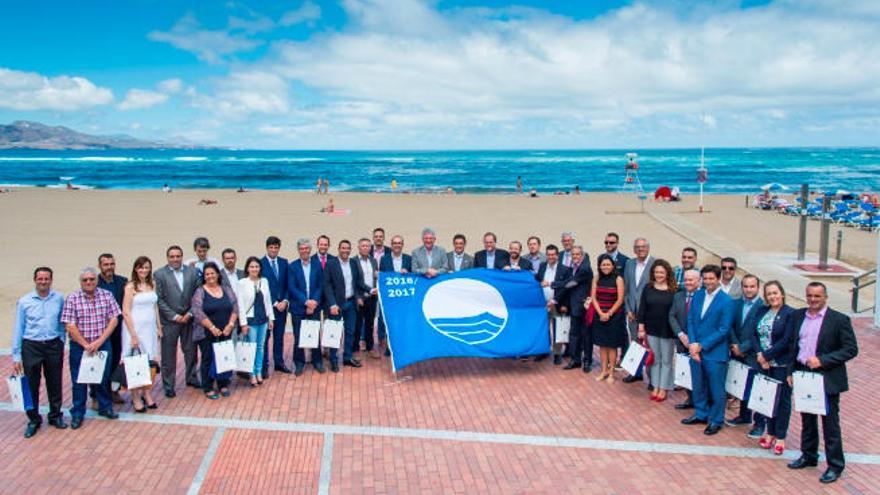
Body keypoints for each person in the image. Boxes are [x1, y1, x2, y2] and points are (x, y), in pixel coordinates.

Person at [786, 282, 859, 484]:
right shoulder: (798, 316)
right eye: (810, 295)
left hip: (826, 376)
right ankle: (808, 455)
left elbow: (851, 349)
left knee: (829, 423)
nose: (813, 300)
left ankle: (835, 465)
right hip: (803, 373)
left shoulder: (839, 320)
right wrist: (791, 371)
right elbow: (794, 346)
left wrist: (823, 360)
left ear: (825, 297)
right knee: (807, 419)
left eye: (817, 296)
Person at [61, 267, 122, 429]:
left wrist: (99, 341)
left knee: (103, 376)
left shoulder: (106, 295)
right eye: (85, 280)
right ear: (80, 282)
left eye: (91, 279)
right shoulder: (72, 298)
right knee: (79, 380)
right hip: (80, 346)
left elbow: (114, 319)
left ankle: (105, 407)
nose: (88, 282)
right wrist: (86, 345)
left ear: (96, 280)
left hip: (102, 344)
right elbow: (70, 325)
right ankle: (78, 412)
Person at [12, 267, 67, 437]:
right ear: (35, 280)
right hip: (31, 346)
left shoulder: (58, 299)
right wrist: (16, 355)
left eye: (46, 279)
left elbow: (61, 322)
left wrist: (61, 341)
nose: (43, 282)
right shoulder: (24, 302)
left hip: (52, 345)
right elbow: (18, 328)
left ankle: (55, 415)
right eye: (40, 279)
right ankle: (33, 419)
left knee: (54, 381)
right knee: (31, 384)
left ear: (51, 280)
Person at [681, 265, 734, 436]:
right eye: (706, 278)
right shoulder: (697, 295)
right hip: (695, 350)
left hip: (715, 352)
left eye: (712, 278)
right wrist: (693, 344)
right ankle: (701, 413)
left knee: (716, 389)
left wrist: (701, 345)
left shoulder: (727, 301)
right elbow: (690, 320)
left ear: (718, 279)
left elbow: (724, 329)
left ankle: (716, 420)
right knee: (698, 384)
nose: (708, 282)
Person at [748, 281, 795, 455]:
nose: (772, 297)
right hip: (763, 363)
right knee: (768, 399)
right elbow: (753, 334)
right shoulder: (762, 311)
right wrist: (760, 355)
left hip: (781, 364)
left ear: (782, 293)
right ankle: (770, 431)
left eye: (775, 293)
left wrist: (768, 355)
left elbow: (787, 340)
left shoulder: (790, 314)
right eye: (769, 294)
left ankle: (781, 436)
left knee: (783, 402)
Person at [154, 245, 200, 397]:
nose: (175, 259)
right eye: (172, 256)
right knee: (168, 355)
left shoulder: (192, 272)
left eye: (178, 256)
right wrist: (173, 315)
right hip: (170, 321)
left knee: (191, 351)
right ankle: (169, 385)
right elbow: (158, 299)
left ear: (182, 256)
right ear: (168, 258)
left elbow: (198, 295)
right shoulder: (159, 274)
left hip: (189, 319)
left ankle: (192, 377)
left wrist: (190, 313)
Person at [120, 256, 161, 412]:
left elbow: (154, 306)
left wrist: (158, 326)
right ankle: (136, 398)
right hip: (135, 329)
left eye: (146, 267)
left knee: (149, 362)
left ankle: (147, 393)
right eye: (141, 267)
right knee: (135, 364)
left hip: (149, 329)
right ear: (135, 269)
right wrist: (133, 335)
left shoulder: (152, 284)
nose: (144, 270)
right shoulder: (130, 287)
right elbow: (125, 311)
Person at [192, 262, 238, 399]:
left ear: (218, 274)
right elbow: (197, 311)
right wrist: (212, 327)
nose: (210, 276)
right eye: (207, 274)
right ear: (204, 277)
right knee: (208, 358)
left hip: (225, 331)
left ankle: (222, 384)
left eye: (212, 273)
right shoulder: (200, 291)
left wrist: (230, 325)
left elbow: (235, 307)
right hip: (206, 332)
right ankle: (208, 386)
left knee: (224, 357)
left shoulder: (226, 289)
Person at [726, 275, 765, 430]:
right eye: (746, 286)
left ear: (758, 287)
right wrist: (735, 344)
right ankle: (744, 415)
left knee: (756, 389)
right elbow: (729, 325)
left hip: (753, 353)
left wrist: (743, 348)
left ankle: (759, 423)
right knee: (741, 385)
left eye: (752, 286)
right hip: (736, 352)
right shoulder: (735, 304)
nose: (748, 290)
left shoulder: (764, 307)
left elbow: (760, 332)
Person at [324, 240, 369, 370]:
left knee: (350, 332)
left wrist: (370, 290)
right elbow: (326, 285)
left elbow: (359, 283)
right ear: (339, 249)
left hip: (351, 303)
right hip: (336, 305)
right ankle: (333, 359)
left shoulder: (354, 263)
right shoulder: (331, 264)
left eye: (348, 248)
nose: (345, 251)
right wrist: (332, 304)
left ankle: (347, 357)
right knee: (334, 333)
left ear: (350, 250)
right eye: (343, 248)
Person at [637, 259, 678, 402]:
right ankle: (655, 386)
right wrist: (641, 328)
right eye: (656, 272)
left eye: (662, 272)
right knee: (655, 360)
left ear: (667, 273)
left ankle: (663, 388)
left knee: (666, 360)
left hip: (667, 330)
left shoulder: (674, 290)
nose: (659, 274)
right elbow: (642, 308)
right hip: (651, 329)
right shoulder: (648, 288)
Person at [288, 238, 325, 375]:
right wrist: (306, 302)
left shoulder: (317, 265)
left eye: (306, 248)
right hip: (298, 307)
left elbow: (320, 285)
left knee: (315, 334)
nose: (304, 251)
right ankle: (299, 363)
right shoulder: (292, 266)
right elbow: (292, 287)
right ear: (299, 250)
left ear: (310, 250)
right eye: (301, 249)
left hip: (314, 307)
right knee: (298, 337)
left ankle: (317, 361)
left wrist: (314, 301)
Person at [237, 257, 275, 386]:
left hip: (263, 319)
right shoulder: (242, 283)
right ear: (247, 268)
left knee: (260, 347)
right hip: (250, 321)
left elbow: (268, 301)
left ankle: (258, 372)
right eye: (252, 266)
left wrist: (271, 318)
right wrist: (243, 324)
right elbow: (240, 305)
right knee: (251, 347)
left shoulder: (264, 281)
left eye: (257, 266)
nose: (254, 269)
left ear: (260, 268)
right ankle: (251, 374)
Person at [590, 254, 626, 382]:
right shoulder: (596, 278)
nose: (606, 267)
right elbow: (593, 298)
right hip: (599, 315)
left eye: (608, 264)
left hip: (614, 316)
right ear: (599, 266)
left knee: (612, 346)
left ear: (613, 265)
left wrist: (609, 313)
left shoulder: (618, 279)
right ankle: (603, 371)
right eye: (603, 264)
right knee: (602, 345)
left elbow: (620, 299)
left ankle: (611, 373)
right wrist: (600, 313)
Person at [622, 237, 654, 382]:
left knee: (650, 345)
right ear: (634, 249)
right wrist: (628, 309)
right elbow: (627, 289)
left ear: (648, 248)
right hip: (632, 313)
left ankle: (652, 378)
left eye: (643, 247)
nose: (640, 249)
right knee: (635, 343)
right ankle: (636, 372)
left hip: (649, 313)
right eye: (637, 247)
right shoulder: (629, 263)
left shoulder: (655, 264)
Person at [97, 253, 128, 404]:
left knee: (116, 360)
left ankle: (114, 390)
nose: (109, 267)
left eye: (111, 264)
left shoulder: (122, 281)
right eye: (106, 264)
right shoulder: (94, 282)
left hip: (119, 329)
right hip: (101, 329)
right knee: (100, 363)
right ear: (100, 266)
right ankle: (95, 396)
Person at [669, 269, 700, 410]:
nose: (688, 282)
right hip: (681, 341)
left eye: (691, 280)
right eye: (686, 280)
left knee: (698, 374)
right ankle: (690, 399)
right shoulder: (678, 296)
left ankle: (700, 402)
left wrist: (693, 340)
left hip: (697, 344)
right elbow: (671, 316)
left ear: (699, 281)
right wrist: (680, 334)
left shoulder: (703, 297)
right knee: (685, 371)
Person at [559, 246, 593, 372]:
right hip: (573, 306)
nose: (575, 257)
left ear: (582, 255)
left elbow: (571, 283)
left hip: (583, 306)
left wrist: (552, 284)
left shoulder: (584, 268)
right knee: (574, 334)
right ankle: (575, 360)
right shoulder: (573, 267)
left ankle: (587, 361)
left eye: (577, 254)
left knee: (586, 335)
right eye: (573, 255)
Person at [536, 245, 571, 364]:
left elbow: (566, 287)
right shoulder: (542, 267)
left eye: (553, 255)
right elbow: (537, 281)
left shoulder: (565, 269)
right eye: (548, 255)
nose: (550, 257)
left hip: (558, 303)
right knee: (543, 329)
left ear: (557, 255)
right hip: (543, 304)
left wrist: (555, 300)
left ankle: (557, 354)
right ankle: (544, 351)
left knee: (559, 329)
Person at [260, 236, 291, 375]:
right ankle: (264, 366)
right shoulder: (260, 263)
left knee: (279, 336)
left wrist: (285, 300)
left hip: (282, 307)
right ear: (267, 248)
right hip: (267, 307)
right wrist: (274, 302)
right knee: (265, 338)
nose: (273, 250)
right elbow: (261, 287)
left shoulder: (284, 262)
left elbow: (287, 284)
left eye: (276, 247)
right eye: (271, 247)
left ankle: (279, 362)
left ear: (279, 248)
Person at [354, 238, 381, 358]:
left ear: (370, 248)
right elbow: (354, 282)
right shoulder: (353, 261)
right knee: (357, 325)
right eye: (363, 246)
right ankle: (355, 349)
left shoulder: (373, 260)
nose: (365, 248)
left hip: (372, 298)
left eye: (368, 246)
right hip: (360, 298)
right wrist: (357, 297)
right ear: (359, 247)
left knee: (370, 324)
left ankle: (370, 347)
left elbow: (375, 276)